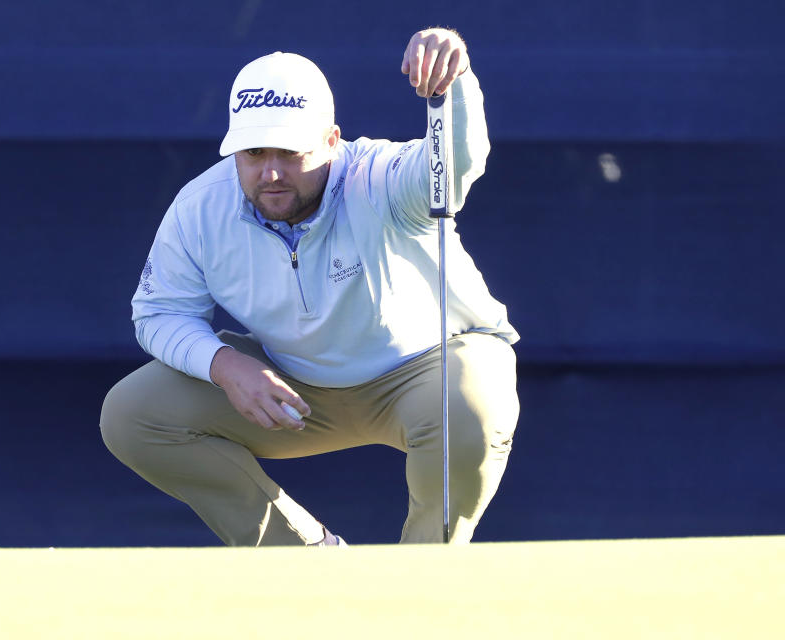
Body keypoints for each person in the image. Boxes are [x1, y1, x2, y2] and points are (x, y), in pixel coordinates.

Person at [100, 28, 519, 546]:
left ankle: (423, 583)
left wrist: (452, 85)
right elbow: (159, 313)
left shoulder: (381, 176)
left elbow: (451, 172)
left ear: (331, 141)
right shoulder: (199, 207)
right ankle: (305, 561)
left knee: (470, 412)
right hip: (297, 389)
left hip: (425, 370)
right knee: (132, 415)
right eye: (254, 153)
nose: (271, 172)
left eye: (291, 151)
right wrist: (226, 366)